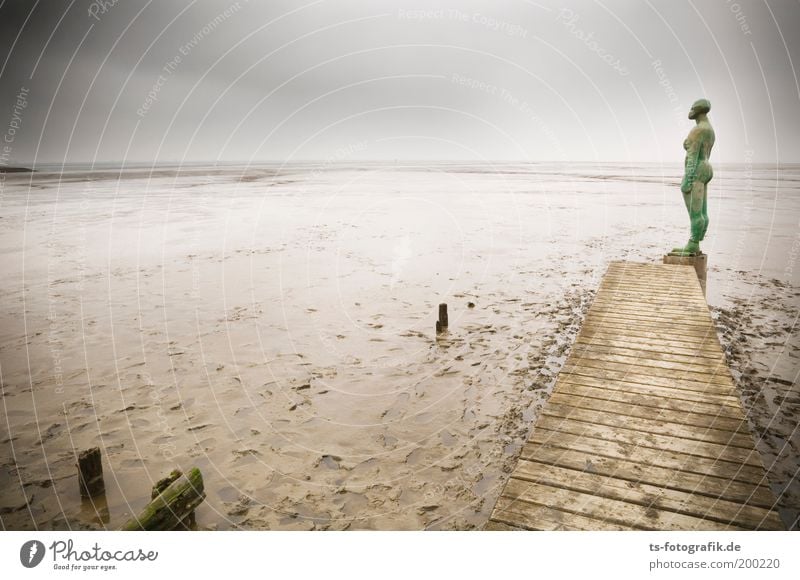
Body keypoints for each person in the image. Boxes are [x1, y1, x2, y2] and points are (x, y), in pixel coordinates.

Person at [672, 98, 715, 255]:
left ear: (697, 110)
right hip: (706, 167)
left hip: (697, 170)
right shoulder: (709, 129)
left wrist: (687, 181)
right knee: (702, 209)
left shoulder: (697, 130)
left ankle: (693, 243)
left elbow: (692, 156)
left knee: (695, 210)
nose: (689, 111)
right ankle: (696, 240)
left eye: (692, 108)